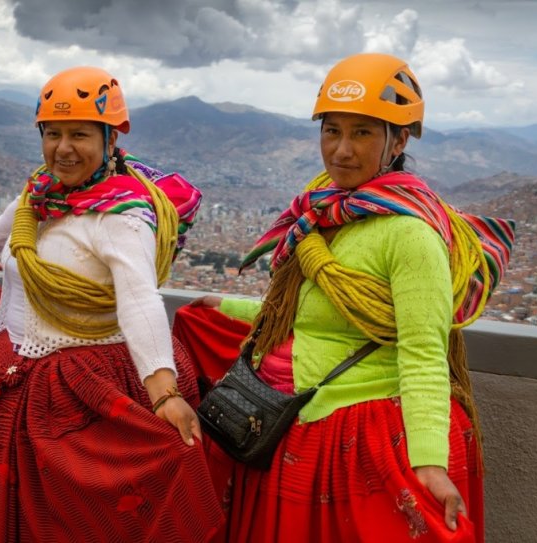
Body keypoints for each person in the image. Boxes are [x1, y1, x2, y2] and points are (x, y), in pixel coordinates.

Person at [191, 52, 515, 542]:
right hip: (297, 423)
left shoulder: (409, 236)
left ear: (399, 139)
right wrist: (230, 310)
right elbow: (308, 314)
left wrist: (429, 463)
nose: (341, 150)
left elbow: (423, 350)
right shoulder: (324, 209)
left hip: (359, 438)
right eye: (331, 130)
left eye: (362, 132)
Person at [0, 66, 223, 542]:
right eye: (53, 134)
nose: (63, 148)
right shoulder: (40, 194)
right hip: (16, 378)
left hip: (80, 389)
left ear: (110, 139)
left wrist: (165, 394)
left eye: (79, 134)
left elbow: (139, 300)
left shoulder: (121, 216)